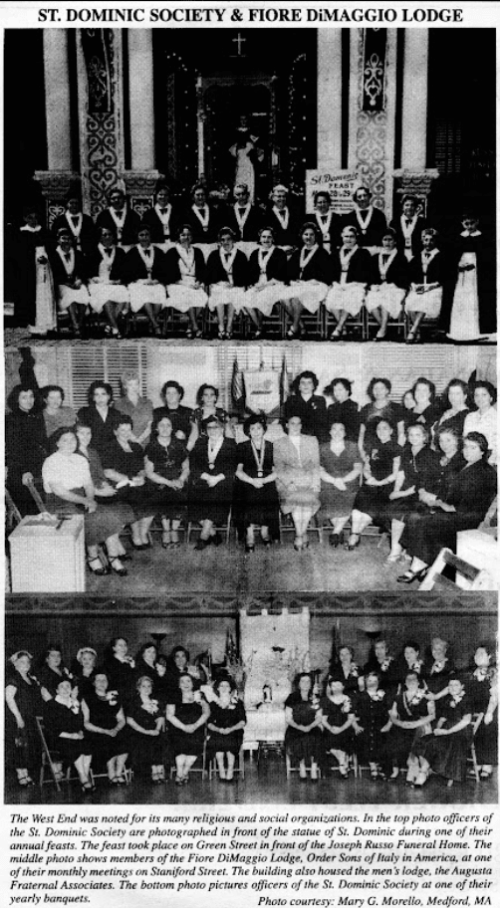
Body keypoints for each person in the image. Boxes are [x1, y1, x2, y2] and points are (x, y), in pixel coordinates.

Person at [397, 432, 497, 583]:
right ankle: (422, 563)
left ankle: (417, 567)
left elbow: (466, 507)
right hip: (448, 509)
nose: (467, 451)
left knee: (425, 521)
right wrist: (433, 498)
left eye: (473, 448)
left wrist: (437, 503)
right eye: (466, 447)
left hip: (465, 518)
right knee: (415, 515)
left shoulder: (485, 473)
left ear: (482, 451)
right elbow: (446, 489)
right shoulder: (462, 465)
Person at [42, 427, 130, 576]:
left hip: (82, 498)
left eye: (73, 439)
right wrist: (85, 501)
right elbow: (59, 491)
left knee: (112, 515)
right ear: (57, 443)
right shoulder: (51, 461)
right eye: (65, 440)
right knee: (92, 518)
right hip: (60, 502)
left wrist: (90, 500)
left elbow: (88, 484)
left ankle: (113, 557)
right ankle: (93, 557)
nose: (70, 443)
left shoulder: (80, 459)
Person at [100, 414, 159, 551]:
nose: (126, 433)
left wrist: (141, 476)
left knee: (156, 494)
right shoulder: (109, 447)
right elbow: (108, 472)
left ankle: (142, 532)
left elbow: (142, 468)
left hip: (136, 482)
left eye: (128, 430)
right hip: (119, 483)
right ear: (115, 431)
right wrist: (129, 480)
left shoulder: (136, 447)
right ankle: (136, 535)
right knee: (136, 496)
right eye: (122, 430)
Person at [384, 423, 441, 565]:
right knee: (394, 509)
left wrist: (403, 493)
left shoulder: (431, 455)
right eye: (411, 435)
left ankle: (408, 551)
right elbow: (401, 473)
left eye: (418, 435)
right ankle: (396, 550)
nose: (414, 438)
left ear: (424, 437)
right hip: (407, 490)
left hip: (423, 491)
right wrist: (396, 491)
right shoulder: (406, 451)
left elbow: (426, 481)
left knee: (409, 512)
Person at [410, 675, 472, 787]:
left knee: (435, 744)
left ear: (462, 687)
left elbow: (466, 721)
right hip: (447, 729)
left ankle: (422, 773)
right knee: (423, 741)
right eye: (450, 685)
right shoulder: (448, 699)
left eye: (456, 685)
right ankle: (426, 770)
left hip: (461, 732)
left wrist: (447, 732)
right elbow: (443, 718)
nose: (452, 687)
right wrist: (436, 730)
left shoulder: (466, 699)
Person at [349, 418, 402, 548]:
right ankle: (355, 534)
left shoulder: (396, 448)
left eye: (385, 428)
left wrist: (381, 482)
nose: (381, 431)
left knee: (370, 509)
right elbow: (366, 466)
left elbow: (396, 473)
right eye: (379, 428)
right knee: (358, 508)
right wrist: (369, 478)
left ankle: (354, 535)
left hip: (387, 485)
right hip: (371, 481)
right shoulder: (373, 445)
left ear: (391, 430)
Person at [187, 415, 237, 549]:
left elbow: (232, 466)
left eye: (216, 427)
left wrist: (216, 478)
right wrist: (207, 477)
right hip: (204, 480)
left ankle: (203, 536)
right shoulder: (200, 443)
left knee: (215, 494)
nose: (212, 430)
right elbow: (193, 465)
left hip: (222, 482)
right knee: (191, 496)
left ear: (222, 429)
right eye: (209, 427)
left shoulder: (230, 444)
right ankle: (213, 533)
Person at [273, 415, 321, 551]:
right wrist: (289, 483)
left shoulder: (312, 440)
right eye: (292, 423)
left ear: (301, 425)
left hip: (309, 480)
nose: (295, 426)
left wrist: (316, 483)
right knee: (296, 501)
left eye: (298, 424)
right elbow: (279, 468)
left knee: (306, 500)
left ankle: (299, 534)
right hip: (288, 480)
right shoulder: (279, 443)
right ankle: (302, 534)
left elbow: (316, 465)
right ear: (287, 425)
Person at [235, 414, 280, 551]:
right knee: (245, 496)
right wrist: (251, 481)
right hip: (248, 481)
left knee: (270, 496)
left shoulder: (272, 446)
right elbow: (238, 471)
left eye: (259, 428)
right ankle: (249, 534)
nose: (256, 431)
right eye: (252, 428)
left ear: (264, 429)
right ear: (248, 431)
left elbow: (277, 470)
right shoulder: (242, 446)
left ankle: (264, 530)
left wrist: (264, 480)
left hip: (267, 481)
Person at [447, 214, 495, 341]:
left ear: (477, 222)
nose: (469, 226)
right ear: (462, 223)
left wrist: (476, 265)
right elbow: (452, 257)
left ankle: (477, 331)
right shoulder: (458, 238)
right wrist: (459, 265)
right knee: (461, 298)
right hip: (461, 273)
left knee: (475, 298)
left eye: (472, 223)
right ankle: (458, 331)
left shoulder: (483, 238)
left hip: (477, 273)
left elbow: (488, 258)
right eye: (466, 223)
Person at [144, 415, 189, 548]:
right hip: (158, 481)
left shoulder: (179, 445)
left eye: (168, 425)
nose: (165, 428)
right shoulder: (151, 446)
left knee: (180, 494)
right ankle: (166, 530)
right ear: (156, 428)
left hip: (177, 479)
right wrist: (169, 483)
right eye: (161, 425)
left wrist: (181, 479)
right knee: (163, 494)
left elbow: (186, 467)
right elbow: (149, 472)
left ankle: (174, 529)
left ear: (172, 428)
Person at [281, 221, 332, 339]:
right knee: (283, 299)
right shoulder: (298, 252)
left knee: (296, 299)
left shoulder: (322, 253)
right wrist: (292, 281)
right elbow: (288, 272)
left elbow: (327, 274)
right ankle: (301, 327)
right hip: (300, 284)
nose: (308, 237)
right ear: (302, 236)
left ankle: (294, 328)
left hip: (316, 285)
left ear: (316, 236)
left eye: (311, 235)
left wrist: (315, 280)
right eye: (306, 234)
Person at [44, 679, 93, 792]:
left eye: (68, 686)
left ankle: (84, 776)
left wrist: (79, 732)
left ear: (71, 689)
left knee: (87, 743)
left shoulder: (74, 703)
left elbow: (80, 723)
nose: (65, 689)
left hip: (75, 736)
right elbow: (50, 728)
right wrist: (71, 736)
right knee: (74, 745)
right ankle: (84, 778)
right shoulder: (51, 704)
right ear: (57, 690)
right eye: (62, 687)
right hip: (58, 738)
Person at [384, 671, 435, 781]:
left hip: (420, 724)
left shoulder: (426, 694)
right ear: (405, 683)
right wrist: (400, 723)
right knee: (393, 738)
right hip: (403, 725)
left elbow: (432, 715)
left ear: (418, 682)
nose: (411, 682)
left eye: (414, 679)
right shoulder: (398, 697)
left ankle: (416, 769)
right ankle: (396, 769)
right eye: (408, 680)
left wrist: (416, 724)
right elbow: (393, 716)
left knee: (419, 738)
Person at [6, 385, 47, 516]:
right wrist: (24, 471)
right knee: (32, 513)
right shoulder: (10, 420)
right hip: (21, 471)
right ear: (16, 400)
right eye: (24, 397)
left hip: (37, 467)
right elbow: (13, 449)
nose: (29, 400)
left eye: (31, 396)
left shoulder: (35, 417)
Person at [81, 671, 129, 785]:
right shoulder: (87, 698)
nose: (102, 682)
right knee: (107, 741)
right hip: (96, 730)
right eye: (98, 680)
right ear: (93, 683)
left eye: (104, 680)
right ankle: (111, 774)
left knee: (125, 738)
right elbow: (86, 722)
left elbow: (122, 719)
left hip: (114, 729)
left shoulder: (114, 697)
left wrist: (116, 729)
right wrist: (104, 731)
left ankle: (118, 773)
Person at [325, 225, 372, 340]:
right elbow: (331, 271)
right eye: (346, 236)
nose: (349, 239)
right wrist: (334, 283)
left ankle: (339, 328)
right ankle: (344, 327)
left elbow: (366, 272)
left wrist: (354, 284)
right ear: (342, 237)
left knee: (350, 299)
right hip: (339, 284)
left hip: (355, 285)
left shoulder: (363, 253)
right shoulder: (335, 252)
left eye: (352, 237)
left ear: (356, 238)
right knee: (331, 299)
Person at [319, 422, 362, 546]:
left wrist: (343, 480)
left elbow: (357, 469)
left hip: (349, 480)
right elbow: (319, 470)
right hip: (328, 480)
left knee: (349, 496)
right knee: (327, 495)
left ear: (345, 433)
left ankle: (336, 531)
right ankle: (338, 530)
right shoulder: (322, 447)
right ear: (330, 432)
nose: (337, 432)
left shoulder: (352, 446)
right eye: (334, 429)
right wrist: (334, 481)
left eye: (341, 430)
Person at [5, 651, 43, 787]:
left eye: (28, 662)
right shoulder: (13, 679)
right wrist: (18, 717)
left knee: (27, 747)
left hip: (30, 717)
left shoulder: (31, 679)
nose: (25, 664)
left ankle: (26, 774)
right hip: (18, 718)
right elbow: (8, 698)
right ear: (15, 664)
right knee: (19, 746)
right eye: (22, 661)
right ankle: (21, 775)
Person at [17, 205, 56, 335]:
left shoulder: (44, 232)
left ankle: (49, 325)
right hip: (31, 270)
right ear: (25, 219)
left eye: (35, 217)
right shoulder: (21, 233)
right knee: (34, 295)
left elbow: (51, 248)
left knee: (46, 293)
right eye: (30, 218)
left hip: (45, 267)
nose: (33, 220)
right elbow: (20, 253)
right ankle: (35, 327)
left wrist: (46, 257)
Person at [364, 228, 409, 340]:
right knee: (371, 298)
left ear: (395, 242)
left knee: (387, 298)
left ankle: (383, 330)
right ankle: (385, 328)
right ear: (381, 241)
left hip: (395, 288)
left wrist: (391, 284)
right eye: (385, 239)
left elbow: (403, 277)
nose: (387, 242)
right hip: (379, 287)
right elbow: (370, 275)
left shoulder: (401, 258)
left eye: (390, 240)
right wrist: (374, 285)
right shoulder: (375, 258)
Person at [164, 224, 208, 338]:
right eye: (183, 235)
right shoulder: (172, 252)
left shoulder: (197, 251)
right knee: (189, 295)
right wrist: (185, 284)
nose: (186, 237)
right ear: (178, 237)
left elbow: (203, 271)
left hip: (194, 283)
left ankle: (189, 327)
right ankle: (195, 327)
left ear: (192, 237)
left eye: (189, 235)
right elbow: (169, 275)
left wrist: (199, 282)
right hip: (177, 284)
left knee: (202, 297)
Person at [244, 226, 288, 338]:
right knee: (245, 298)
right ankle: (259, 326)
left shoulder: (280, 253)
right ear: (259, 238)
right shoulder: (254, 253)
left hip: (274, 284)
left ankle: (259, 330)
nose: (266, 239)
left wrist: (264, 285)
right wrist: (252, 284)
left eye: (269, 237)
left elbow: (281, 273)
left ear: (273, 239)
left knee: (262, 296)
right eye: (263, 237)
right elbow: (249, 272)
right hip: (258, 284)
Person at [166, 673, 210, 784]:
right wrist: (183, 727)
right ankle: (180, 773)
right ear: (179, 685)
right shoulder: (173, 696)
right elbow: (169, 715)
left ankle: (183, 772)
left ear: (192, 683)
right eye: (182, 681)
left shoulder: (199, 695)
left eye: (188, 681)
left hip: (197, 728)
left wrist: (195, 726)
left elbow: (206, 713)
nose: (186, 684)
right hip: (178, 728)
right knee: (180, 743)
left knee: (194, 743)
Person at [86, 225, 129, 337]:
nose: (107, 237)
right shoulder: (92, 251)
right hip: (98, 283)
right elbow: (87, 271)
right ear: (100, 237)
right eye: (104, 235)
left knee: (124, 293)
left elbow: (125, 270)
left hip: (114, 283)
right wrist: (93, 279)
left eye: (110, 234)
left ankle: (110, 324)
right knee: (105, 295)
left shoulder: (119, 251)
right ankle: (116, 328)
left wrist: (119, 280)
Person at [206, 226, 248, 340]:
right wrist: (221, 282)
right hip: (220, 285)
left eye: (228, 239)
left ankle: (229, 326)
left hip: (236, 286)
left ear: (233, 240)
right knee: (219, 293)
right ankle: (221, 327)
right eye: (222, 240)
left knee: (234, 294)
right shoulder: (214, 255)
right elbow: (209, 274)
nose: (225, 242)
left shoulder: (241, 255)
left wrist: (235, 283)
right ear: (219, 242)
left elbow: (245, 275)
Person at [125, 225, 167, 336]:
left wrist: (156, 280)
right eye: (141, 235)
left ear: (151, 236)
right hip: (138, 283)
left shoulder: (158, 252)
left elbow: (164, 270)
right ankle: (156, 325)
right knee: (144, 295)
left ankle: (151, 323)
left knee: (160, 292)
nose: (144, 237)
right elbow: (128, 272)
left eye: (147, 234)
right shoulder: (132, 253)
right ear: (137, 237)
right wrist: (141, 281)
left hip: (154, 282)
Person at [465, 645, 498, 780]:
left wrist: (489, 712)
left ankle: (487, 765)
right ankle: (477, 763)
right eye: (476, 654)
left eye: (481, 654)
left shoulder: (494, 672)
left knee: (487, 731)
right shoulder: (473, 673)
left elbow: (495, 695)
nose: (477, 656)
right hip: (474, 710)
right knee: (474, 733)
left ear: (489, 656)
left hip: (490, 709)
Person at [405, 228, 443, 343]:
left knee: (425, 301)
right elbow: (409, 274)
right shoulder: (417, 257)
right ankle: (419, 332)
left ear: (435, 241)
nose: (428, 243)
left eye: (431, 240)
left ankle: (413, 331)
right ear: (422, 241)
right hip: (419, 286)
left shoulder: (441, 256)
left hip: (434, 288)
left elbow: (445, 276)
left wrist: (431, 286)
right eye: (425, 240)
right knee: (410, 302)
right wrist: (413, 285)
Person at [50, 228, 90, 337]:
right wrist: (66, 283)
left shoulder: (78, 254)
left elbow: (84, 271)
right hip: (62, 284)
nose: (66, 241)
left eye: (68, 239)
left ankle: (79, 323)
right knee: (70, 295)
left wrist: (79, 280)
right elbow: (53, 274)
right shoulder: (53, 256)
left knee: (83, 293)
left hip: (76, 283)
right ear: (58, 240)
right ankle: (75, 325)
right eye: (63, 238)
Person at [352, 671, 391, 780]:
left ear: (379, 682)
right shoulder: (359, 696)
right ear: (365, 682)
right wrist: (355, 726)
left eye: (375, 681)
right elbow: (351, 713)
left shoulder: (384, 695)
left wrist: (388, 725)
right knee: (365, 739)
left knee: (383, 741)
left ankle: (381, 767)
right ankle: (373, 767)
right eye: (369, 681)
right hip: (364, 725)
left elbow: (392, 712)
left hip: (381, 725)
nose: (372, 683)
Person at [126, 676, 166, 782]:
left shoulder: (155, 701)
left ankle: (159, 769)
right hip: (139, 731)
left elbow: (160, 717)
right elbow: (130, 720)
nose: (146, 688)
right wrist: (145, 731)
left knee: (161, 739)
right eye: (143, 686)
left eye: (149, 686)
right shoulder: (134, 702)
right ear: (138, 688)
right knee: (147, 741)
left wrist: (157, 730)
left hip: (154, 730)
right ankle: (153, 771)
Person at [206, 676, 246, 781]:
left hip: (234, 731)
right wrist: (219, 730)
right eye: (221, 686)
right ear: (217, 689)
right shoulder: (213, 704)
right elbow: (209, 723)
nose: (224, 688)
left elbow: (242, 721)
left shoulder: (238, 703)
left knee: (230, 741)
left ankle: (230, 770)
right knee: (217, 741)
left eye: (226, 686)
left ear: (230, 689)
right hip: (217, 730)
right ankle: (221, 770)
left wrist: (231, 729)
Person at [284, 673, 323, 780]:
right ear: (298, 684)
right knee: (298, 739)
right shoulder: (292, 697)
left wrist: (310, 726)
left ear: (311, 684)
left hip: (312, 726)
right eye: (303, 681)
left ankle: (314, 768)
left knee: (317, 738)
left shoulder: (316, 697)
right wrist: (299, 727)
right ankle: (302, 767)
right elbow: (288, 718)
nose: (305, 684)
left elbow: (319, 717)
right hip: (295, 727)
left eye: (308, 681)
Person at [358, 378, 406, 456]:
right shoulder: (366, 408)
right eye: (375, 388)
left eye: (381, 388)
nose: (378, 391)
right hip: (370, 450)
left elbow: (401, 433)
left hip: (390, 451)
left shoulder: (396, 408)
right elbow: (361, 432)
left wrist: (397, 452)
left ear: (387, 390)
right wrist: (361, 450)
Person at [77, 381, 123, 458]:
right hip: (91, 453)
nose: (100, 398)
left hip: (112, 453)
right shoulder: (84, 412)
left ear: (109, 396)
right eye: (96, 394)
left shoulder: (116, 413)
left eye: (103, 394)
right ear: (93, 397)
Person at [320, 677, 355, 777]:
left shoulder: (348, 699)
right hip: (330, 728)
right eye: (333, 686)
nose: (336, 688)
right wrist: (331, 728)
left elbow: (350, 718)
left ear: (343, 686)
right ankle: (343, 762)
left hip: (345, 728)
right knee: (327, 741)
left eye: (338, 685)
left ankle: (342, 763)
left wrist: (341, 729)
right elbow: (323, 720)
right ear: (330, 687)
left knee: (345, 739)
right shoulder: (325, 701)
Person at [52, 186, 96, 257]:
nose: (74, 205)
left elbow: (93, 238)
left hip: (85, 254)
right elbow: (54, 239)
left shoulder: (87, 220)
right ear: (67, 204)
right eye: (71, 203)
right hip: (67, 253)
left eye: (76, 203)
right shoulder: (60, 221)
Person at [283, 371, 328, 442]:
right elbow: (286, 422)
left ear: (313, 386)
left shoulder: (320, 400)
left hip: (316, 438)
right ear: (299, 386)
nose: (306, 385)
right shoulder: (291, 400)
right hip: (296, 437)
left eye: (309, 383)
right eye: (303, 383)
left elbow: (323, 423)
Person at [229, 116, 263, 203]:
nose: (243, 121)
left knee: (249, 184)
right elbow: (231, 150)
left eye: (245, 119)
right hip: (239, 164)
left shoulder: (252, 132)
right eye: (241, 119)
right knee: (239, 183)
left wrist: (252, 149)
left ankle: (250, 202)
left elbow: (258, 149)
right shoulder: (234, 133)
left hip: (249, 164)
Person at [115, 372, 154, 448]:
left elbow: (150, 425)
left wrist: (139, 440)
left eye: (136, 384)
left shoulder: (148, 403)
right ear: (125, 386)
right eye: (130, 385)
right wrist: (135, 441)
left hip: (146, 443)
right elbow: (119, 427)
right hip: (126, 444)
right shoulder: (118, 404)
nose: (134, 388)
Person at [342, 186, 387, 251]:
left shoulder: (379, 215)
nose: (362, 198)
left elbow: (383, 235)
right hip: (355, 251)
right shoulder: (350, 216)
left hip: (374, 250)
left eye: (365, 195)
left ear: (369, 196)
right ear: (355, 199)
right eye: (359, 197)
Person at [153, 381, 197, 449]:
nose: (171, 396)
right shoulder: (157, 412)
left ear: (179, 395)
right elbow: (154, 434)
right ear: (164, 395)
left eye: (174, 393)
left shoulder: (188, 412)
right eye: (168, 393)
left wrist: (185, 436)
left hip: (184, 449)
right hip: (162, 449)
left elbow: (194, 432)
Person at [463, 381, 497, 465]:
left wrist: (490, 462)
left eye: (484, 395)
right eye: (476, 395)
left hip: (491, 459)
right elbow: (465, 439)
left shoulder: (496, 417)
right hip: (470, 456)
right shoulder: (470, 417)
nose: (480, 398)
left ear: (491, 397)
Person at [389, 194, 426, 263]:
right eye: (407, 205)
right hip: (399, 256)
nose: (409, 207)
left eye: (412, 205)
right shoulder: (394, 222)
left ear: (416, 207)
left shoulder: (422, 222)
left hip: (418, 256)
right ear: (402, 207)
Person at [184, 183, 220, 254]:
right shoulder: (187, 213)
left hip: (212, 246)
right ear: (193, 196)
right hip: (195, 247)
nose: (200, 197)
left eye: (203, 194)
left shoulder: (214, 211)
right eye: (198, 195)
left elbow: (217, 228)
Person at [265, 185, 302, 251]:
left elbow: (298, 232)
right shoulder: (266, 215)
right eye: (279, 196)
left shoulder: (294, 213)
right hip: (274, 251)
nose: (281, 199)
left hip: (293, 251)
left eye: (284, 196)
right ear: (273, 197)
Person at [141, 182, 178, 248]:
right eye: (160, 194)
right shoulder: (148, 214)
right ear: (156, 196)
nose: (163, 197)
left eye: (165, 195)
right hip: (156, 245)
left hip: (175, 244)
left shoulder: (177, 212)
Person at [226, 182, 262, 248]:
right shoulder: (229, 211)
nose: (241, 196)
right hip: (234, 244)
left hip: (251, 244)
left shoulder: (257, 211)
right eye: (238, 194)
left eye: (243, 194)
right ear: (235, 195)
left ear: (248, 194)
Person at [324, 378, 360, 443]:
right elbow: (328, 428)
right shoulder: (331, 407)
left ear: (347, 391)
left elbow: (355, 431)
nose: (337, 393)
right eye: (335, 390)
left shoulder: (354, 406)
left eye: (340, 390)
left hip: (348, 443)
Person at [103, 638, 136, 706]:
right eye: (120, 645)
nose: (123, 648)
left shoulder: (130, 662)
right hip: (116, 697)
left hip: (129, 697)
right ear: (114, 648)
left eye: (125, 645)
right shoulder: (109, 663)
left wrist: (132, 666)